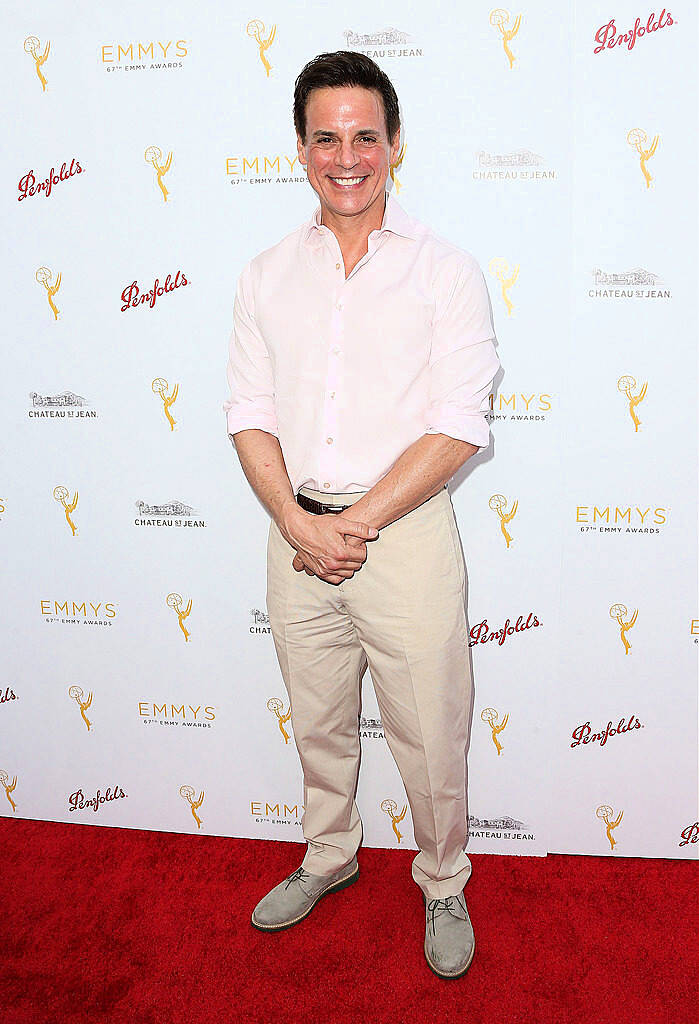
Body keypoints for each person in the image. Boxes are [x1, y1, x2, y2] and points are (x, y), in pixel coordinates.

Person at [223, 50, 500, 980]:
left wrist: (352, 526)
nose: (347, 156)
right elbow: (249, 414)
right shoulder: (264, 274)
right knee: (318, 718)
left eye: (365, 137)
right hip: (292, 530)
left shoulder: (446, 271)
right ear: (300, 148)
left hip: (404, 534)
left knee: (430, 726)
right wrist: (300, 523)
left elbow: (458, 427)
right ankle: (328, 855)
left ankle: (444, 878)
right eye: (326, 137)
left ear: (394, 145)